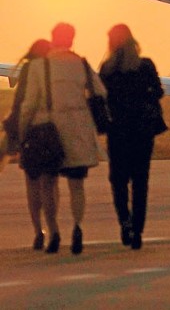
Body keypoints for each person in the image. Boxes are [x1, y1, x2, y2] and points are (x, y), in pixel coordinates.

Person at [19, 23, 107, 254]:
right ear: (72, 39)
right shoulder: (82, 64)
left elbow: (29, 103)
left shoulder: (41, 66)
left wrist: (21, 129)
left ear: (53, 38)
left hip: (49, 131)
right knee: (76, 185)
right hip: (78, 129)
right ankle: (77, 227)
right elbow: (100, 92)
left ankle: (54, 231)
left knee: (49, 184)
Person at [99, 24, 167, 250]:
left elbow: (102, 99)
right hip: (142, 131)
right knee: (140, 182)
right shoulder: (145, 66)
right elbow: (159, 92)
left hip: (118, 131)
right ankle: (138, 230)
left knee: (118, 181)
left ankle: (124, 222)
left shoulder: (107, 69)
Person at [2, 39, 53, 250]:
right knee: (49, 185)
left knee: (32, 185)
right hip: (49, 132)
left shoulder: (26, 72)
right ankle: (53, 229)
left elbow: (19, 105)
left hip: (29, 133)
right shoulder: (53, 71)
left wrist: (14, 131)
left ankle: (38, 230)